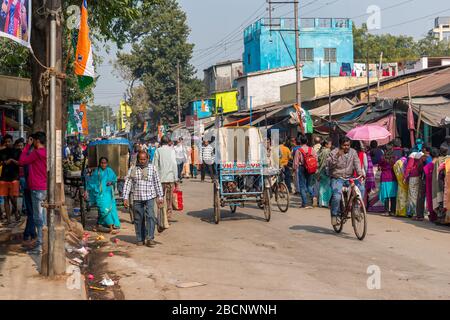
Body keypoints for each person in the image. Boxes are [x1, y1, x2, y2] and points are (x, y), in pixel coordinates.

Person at [123, 151, 163, 247]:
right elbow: (128, 183)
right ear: (138, 159)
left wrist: (160, 196)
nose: (142, 161)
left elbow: (157, 182)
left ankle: (150, 238)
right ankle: (140, 238)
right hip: (137, 197)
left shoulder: (152, 168)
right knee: (138, 218)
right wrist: (125, 197)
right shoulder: (133, 169)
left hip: (150, 196)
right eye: (140, 159)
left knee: (150, 216)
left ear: (147, 159)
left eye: (144, 159)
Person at [18, 132, 47, 254]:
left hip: (36, 188)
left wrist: (26, 147)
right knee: (43, 217)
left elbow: (21, 161)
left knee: (38, 217)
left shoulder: (36, 153)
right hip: (44, 187)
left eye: (33, 140)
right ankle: (43, 242)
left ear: (37, 141)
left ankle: (40, 244)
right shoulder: (46, 152)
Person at [326, 136, 364, 226]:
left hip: (349, 177)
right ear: (340, 145)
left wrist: (360, 173)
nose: (346, 147)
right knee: (337, 196)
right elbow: (329, 165)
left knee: (361, 188)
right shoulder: (334, 152)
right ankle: (334, 215)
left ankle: (356, 210)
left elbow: (357, 163)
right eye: (344, 145)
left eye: (348, 145)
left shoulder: (353, 152)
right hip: (337, 178)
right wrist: (337, 156)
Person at [86, 157, 121, 233]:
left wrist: (111, 182)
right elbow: (92, 182)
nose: (103, 164)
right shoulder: (96, 172)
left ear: (107, 163)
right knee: (103, 209)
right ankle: (110, 225)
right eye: (102, 163)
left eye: (105, 163)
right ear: (100, 163)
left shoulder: (109, 171)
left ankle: (101, 225)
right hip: (99, 194)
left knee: (107, 209)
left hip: (108, 193)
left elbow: (114, 179)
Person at [153, 135, 178, 225]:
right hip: (170, 178)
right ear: (168, 142)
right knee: (169, 199)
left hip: (160, 179)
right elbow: (174, 164)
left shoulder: (158, 151)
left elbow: (154, 166)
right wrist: (176, 179)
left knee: (160, 198)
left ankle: (161, 216)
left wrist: (154, 179)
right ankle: (168, 217)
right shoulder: (172, 151)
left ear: (161, 142)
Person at [0, 134, 21, 224]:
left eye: (9, 141)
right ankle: (9, 219)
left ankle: (16, 211)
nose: (8, 143)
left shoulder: (17, 151)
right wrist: (3, 162)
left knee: (13, 197)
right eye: (6, 142)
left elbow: (20, 163)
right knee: (5, 198)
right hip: (4, 177)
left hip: (14, 177)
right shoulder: (2, 152)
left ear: (12, 141)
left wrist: (12, 160)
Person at [19, 136, 36, 248]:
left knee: (32, 213)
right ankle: (30, 235)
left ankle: (30, 234)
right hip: (31, 186)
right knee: (32, 212)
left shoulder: (32, 152)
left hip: (31, 186)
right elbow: (22, 162)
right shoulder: (33, 153)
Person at [293, 135, 317, 208]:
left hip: (302, 168)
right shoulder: (311, 149)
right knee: (309, 185)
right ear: (307, 141)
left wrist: (294, 170)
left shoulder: (299, 150)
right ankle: (313, 196)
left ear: (300, 141)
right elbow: (316, 158)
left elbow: (296, 162)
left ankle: (305, 204)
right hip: (311, 168)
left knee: (302, 186)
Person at [378, 143, 398, 216]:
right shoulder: (395, 158)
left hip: (385, 178)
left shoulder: (382, 158)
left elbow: (379, 166)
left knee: (386, 195)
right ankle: (393, 211)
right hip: (393, 177)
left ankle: (386, 211)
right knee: (393, 196)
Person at [404, 151, 425, 219]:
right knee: (418, 195)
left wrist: (405, 176)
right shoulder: (423, 156)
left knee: (412, 195)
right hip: (419, 177)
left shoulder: (412, 156)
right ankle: (419, 212)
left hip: (413, 176)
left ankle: (412, 212)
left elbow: (409, 167)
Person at [424, 148, 439, 222]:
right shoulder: (440, 164)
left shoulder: (427, 166)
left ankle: (432, 216)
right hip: (438, 186)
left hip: (429, 186)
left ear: (430, 155)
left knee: (430, 200)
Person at [393, 151, 409, 217]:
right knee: (404, 196)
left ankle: (398, 211)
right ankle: (403, 212)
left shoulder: (397, 162)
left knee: (399, 195)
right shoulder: (404, 161)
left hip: (399, 180)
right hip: (404, 180)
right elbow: (405, 171)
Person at [317, 139, 332, 208]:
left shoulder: (320, 151)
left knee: (321, 187)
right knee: (327, 187)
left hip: (320, 171)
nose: (330, 145)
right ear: (326, 145)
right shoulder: (327, 151)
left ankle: (321, 202)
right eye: (329, 144)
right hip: (326, 171)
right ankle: (325, 202)